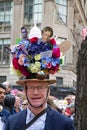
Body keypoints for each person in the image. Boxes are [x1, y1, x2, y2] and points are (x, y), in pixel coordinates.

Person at [5, 76, 75, 130]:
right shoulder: (11, 122)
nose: (35, 92)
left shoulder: (65, 124)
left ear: (48, 92)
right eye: (31, 87)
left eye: (41, 87)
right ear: (25, 92)